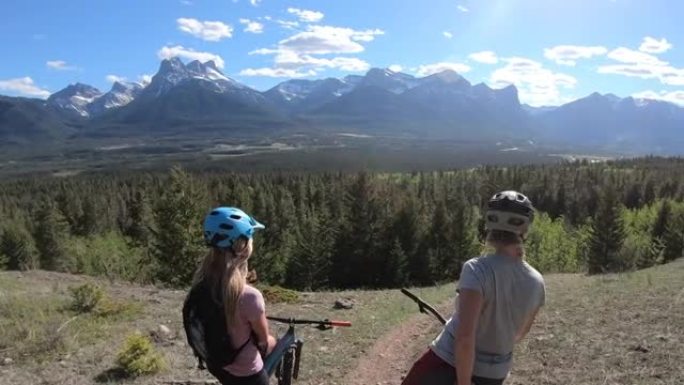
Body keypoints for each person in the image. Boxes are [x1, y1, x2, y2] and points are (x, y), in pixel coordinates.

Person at [401, 191, 546, 385]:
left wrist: (463, 381)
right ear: (525, 229)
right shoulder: (536, 281)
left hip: (448, 362)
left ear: (489, 224)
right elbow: (519, 334)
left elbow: (465, 337)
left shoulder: (477, 269)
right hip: (494, 373)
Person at [195, 207, 276, 385]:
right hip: (248, 374)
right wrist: (271, 341)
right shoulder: (250, 296)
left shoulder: (201, 287)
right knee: (273, 342)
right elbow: (263, 341)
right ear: (242, 246)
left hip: (218, 365)